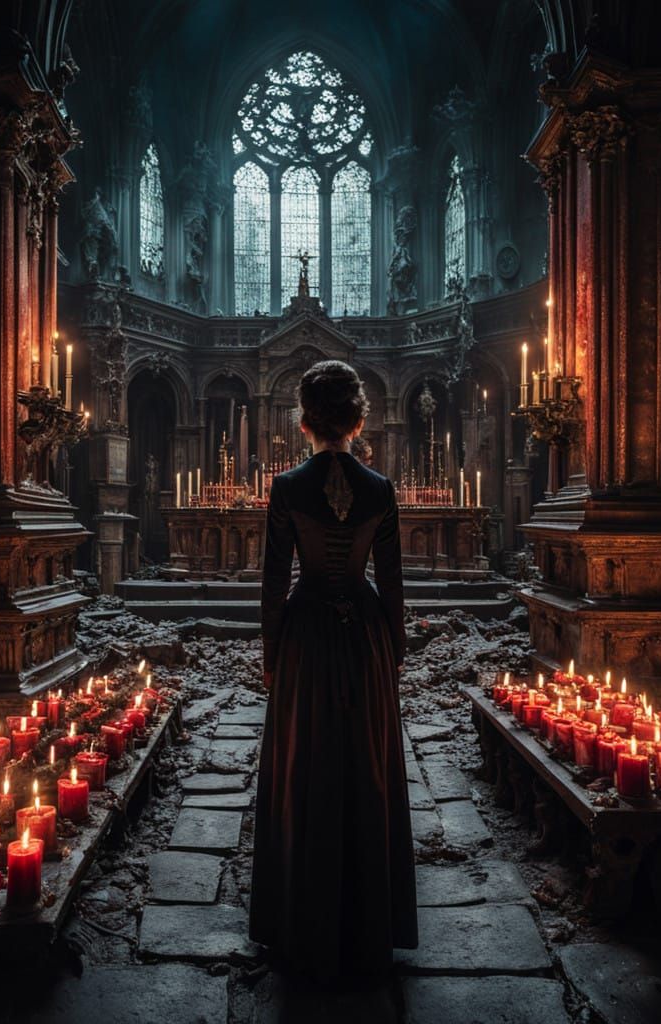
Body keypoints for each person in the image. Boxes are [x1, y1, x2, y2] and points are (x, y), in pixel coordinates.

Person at [250, 360, 418, 983]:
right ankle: (368, 920)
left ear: (303, 422)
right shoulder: (380, 488)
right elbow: (394, 586)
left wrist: (272, 655)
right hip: (366, 638)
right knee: (366, 764)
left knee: (304, 764)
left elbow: (273, 585)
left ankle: (301, 917)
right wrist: (392, 652)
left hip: (305, 639)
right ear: (360, 420)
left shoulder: (288, 487)